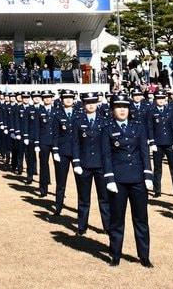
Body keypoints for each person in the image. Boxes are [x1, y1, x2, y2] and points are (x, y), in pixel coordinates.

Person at [101, 93, 151, 267]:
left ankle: (144, 256)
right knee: (117, 220)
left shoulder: (138, 127)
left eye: (125, 107)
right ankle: (115, 254)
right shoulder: (107, 128)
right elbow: (106, 155)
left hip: (137, 179)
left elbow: (144, 152)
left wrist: (148, 175)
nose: (122, 110)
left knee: (141, 219)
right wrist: (109, 179)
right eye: (118, 107)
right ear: (112, 110)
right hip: (118, 181)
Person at [69, 91, 112, 237]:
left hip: (101, 165)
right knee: (83, 198)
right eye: (88, 103)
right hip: (84, 165)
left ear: (97, 103)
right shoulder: (77, 120)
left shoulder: (104, 119)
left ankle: (107, 226)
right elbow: (74, 143)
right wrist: (76, 163)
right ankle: (82, 226)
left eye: (93, 102)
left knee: (104, 198)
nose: (91, 105)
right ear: (83, 104)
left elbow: (107, 145)